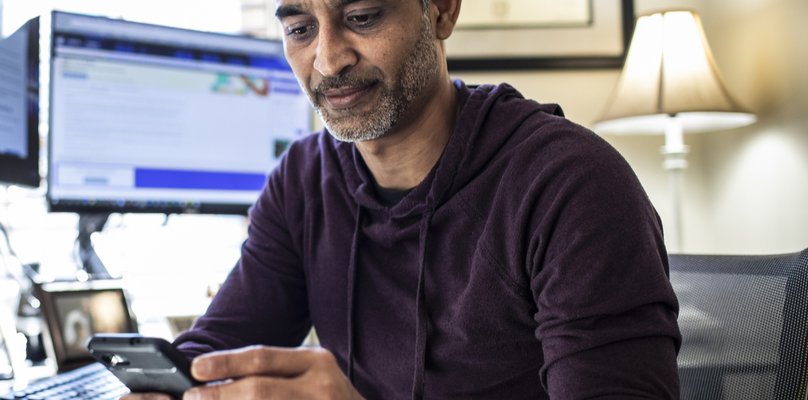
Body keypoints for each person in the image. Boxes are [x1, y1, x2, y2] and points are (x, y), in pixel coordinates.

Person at [130, 0, 681, 398]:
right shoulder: (303, 179)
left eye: (362, 18)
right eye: (300, 28)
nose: (327, 59)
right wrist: (167, 386)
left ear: (440, 11)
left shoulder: (570, 184)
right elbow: (222, 347)